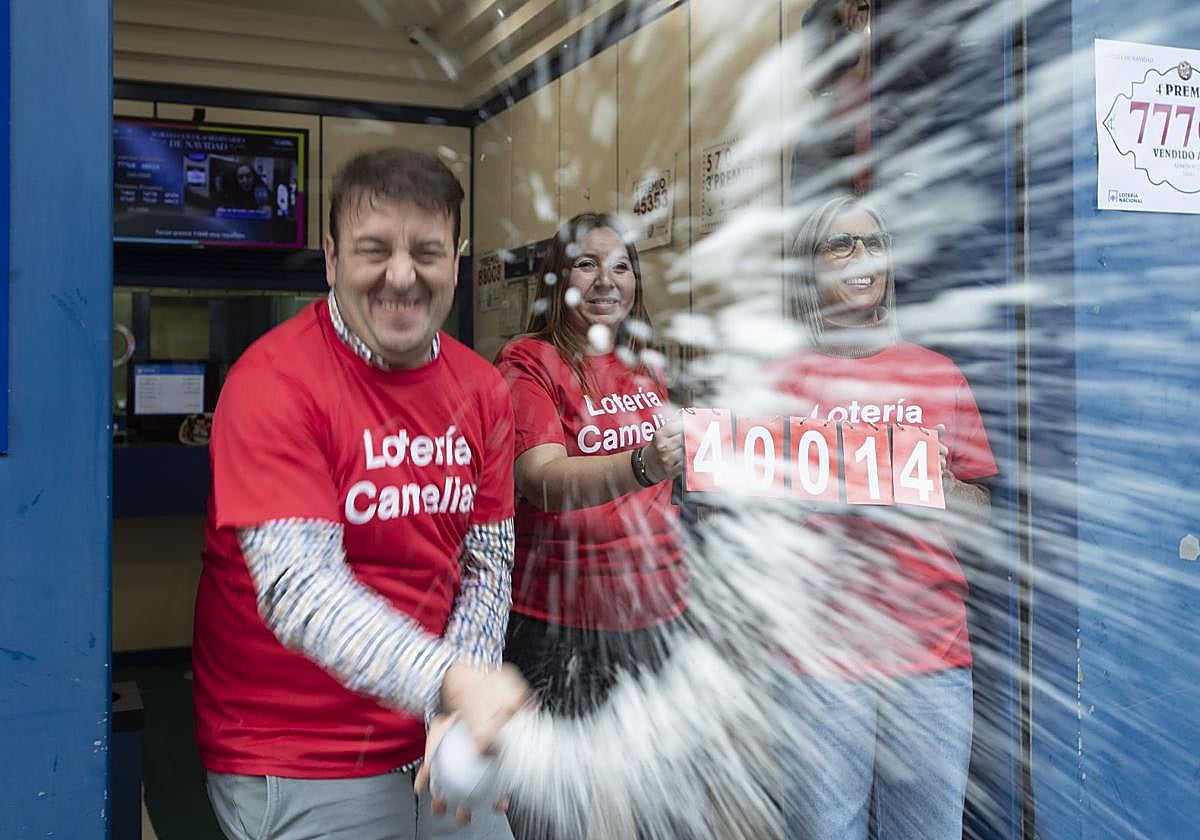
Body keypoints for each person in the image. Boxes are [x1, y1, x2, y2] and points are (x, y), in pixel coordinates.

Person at [192, 147, 530, 840]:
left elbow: (486, 567)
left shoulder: (484, 392)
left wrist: (452, 705)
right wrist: (452, 684)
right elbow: (301, 589)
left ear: (456, 260)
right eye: (374, 249)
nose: (401, 276)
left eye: (427, 252)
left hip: (434, 735)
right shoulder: (273, 382)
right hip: (295, 753)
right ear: (331, 257)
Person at [767, 194, 997, 840]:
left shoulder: (937, 375)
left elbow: (980, 511)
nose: (859, 259)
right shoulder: (779, 383)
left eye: (871, 244)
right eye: (839, 246)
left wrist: (942, 490)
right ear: (810, 269)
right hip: (818, 662)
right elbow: (745, 520)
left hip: (930, 657)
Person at [493, 211, 688, 838]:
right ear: (557, 277)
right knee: (562, 817)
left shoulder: (644, 365)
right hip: (562, 628)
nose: (607, 280)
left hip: (656, 619)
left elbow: (672, 483)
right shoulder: (530, 361)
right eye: (587, 263)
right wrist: (640, 463)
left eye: (622, 266)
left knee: (653, 807)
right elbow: (542, 478)